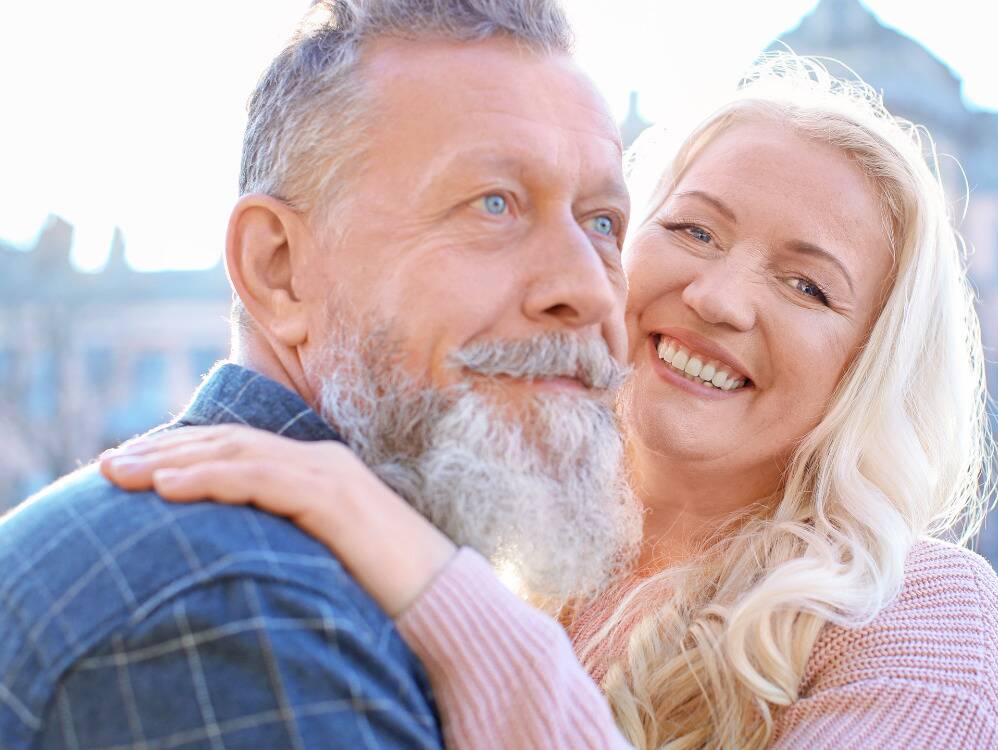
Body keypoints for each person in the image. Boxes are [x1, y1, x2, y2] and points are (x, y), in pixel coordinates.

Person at [101, 55, 998, 749]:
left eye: (808, 287)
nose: (719, 297)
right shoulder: (507, 571)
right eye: (693, 229)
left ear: (867, 365)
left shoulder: (921, 614)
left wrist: (428, 580)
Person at [0, 0, 642, 747]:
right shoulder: (241, 612)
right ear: (279, 269)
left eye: (602, 223)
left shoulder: (344, 590)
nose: (590, 289)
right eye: (493, 204)